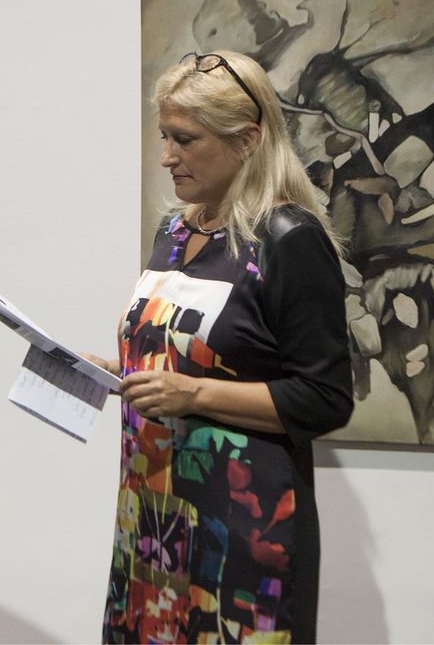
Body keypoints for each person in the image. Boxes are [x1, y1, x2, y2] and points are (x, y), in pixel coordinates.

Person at [89, 51, 353, 643]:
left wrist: (195, 394)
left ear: (247, 140)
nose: (166, 156)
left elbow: (325, 398)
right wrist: (112, 371)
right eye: (165, 136)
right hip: (152, 519)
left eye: (185, 139)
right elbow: (176, 359)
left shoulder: (288, 240)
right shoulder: (174, 231)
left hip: (240, 535)